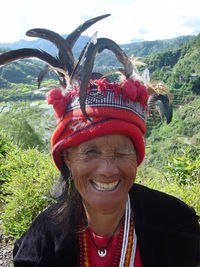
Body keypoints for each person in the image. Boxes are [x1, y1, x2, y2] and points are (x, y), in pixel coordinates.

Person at [0, 15, 199, 267]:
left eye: (121, 152)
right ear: (68, 158)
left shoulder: (177, 225)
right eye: (90, 152)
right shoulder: (39, 246)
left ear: (137, 157)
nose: (107, 169)